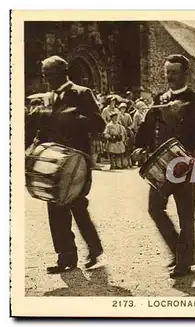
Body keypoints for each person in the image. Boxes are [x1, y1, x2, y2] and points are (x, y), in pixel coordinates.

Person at [134, 54, 195, 278]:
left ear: (185, 74)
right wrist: (139, 146)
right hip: (161, 164)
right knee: (154, 208)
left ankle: (183, 262)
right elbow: (147, 126)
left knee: (185, 216)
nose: (170, 77)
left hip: (184, 164)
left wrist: (185, 114)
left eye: (174, 72)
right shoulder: (160, 97)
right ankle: (180, 252)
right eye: (167, 72)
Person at [26, 55, 105, 273]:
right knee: (54, 207)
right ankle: (66, 257)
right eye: (45, 75)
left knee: (78, 206)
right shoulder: (45, 98)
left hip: (76, 161)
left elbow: (99, 124)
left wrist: (75, 118)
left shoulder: (82, 93)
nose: (46, 79)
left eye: (49, 74)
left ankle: (94, 249)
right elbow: (39, 128)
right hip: (52, 161)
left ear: (63, 73)